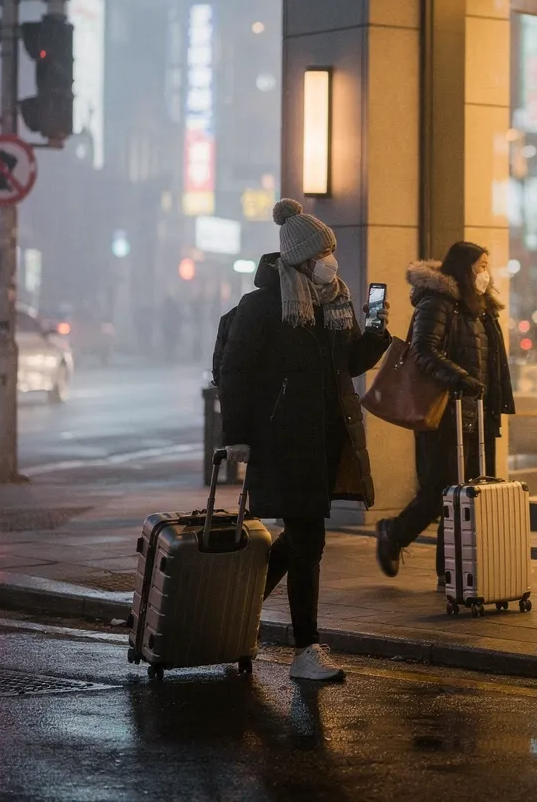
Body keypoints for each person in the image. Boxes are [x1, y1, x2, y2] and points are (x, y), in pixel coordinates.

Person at [219, 198, 391, 682]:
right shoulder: (262, 306)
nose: (329, 262)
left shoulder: (333, 302)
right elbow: (235, 373)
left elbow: (348, 365)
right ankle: (305, 650)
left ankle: (236, 613)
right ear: (299, 258)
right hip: (282, 440)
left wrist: (376, 333)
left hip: (327, 438)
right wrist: (238, 438)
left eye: (331, 252)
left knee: (299, 539)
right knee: (309, 540)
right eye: (322, 254)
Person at [375, 242, 516, 581]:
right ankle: (394, 533)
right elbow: (424, 350)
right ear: (464, 268)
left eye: (487, 265)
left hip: (479, 415)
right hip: (444, 413)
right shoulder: (438, 303)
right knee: (442, 491)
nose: (485, 272)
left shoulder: (482, 308)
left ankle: (450, 572)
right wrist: (460, 379)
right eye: (480, 266)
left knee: (466, 496)